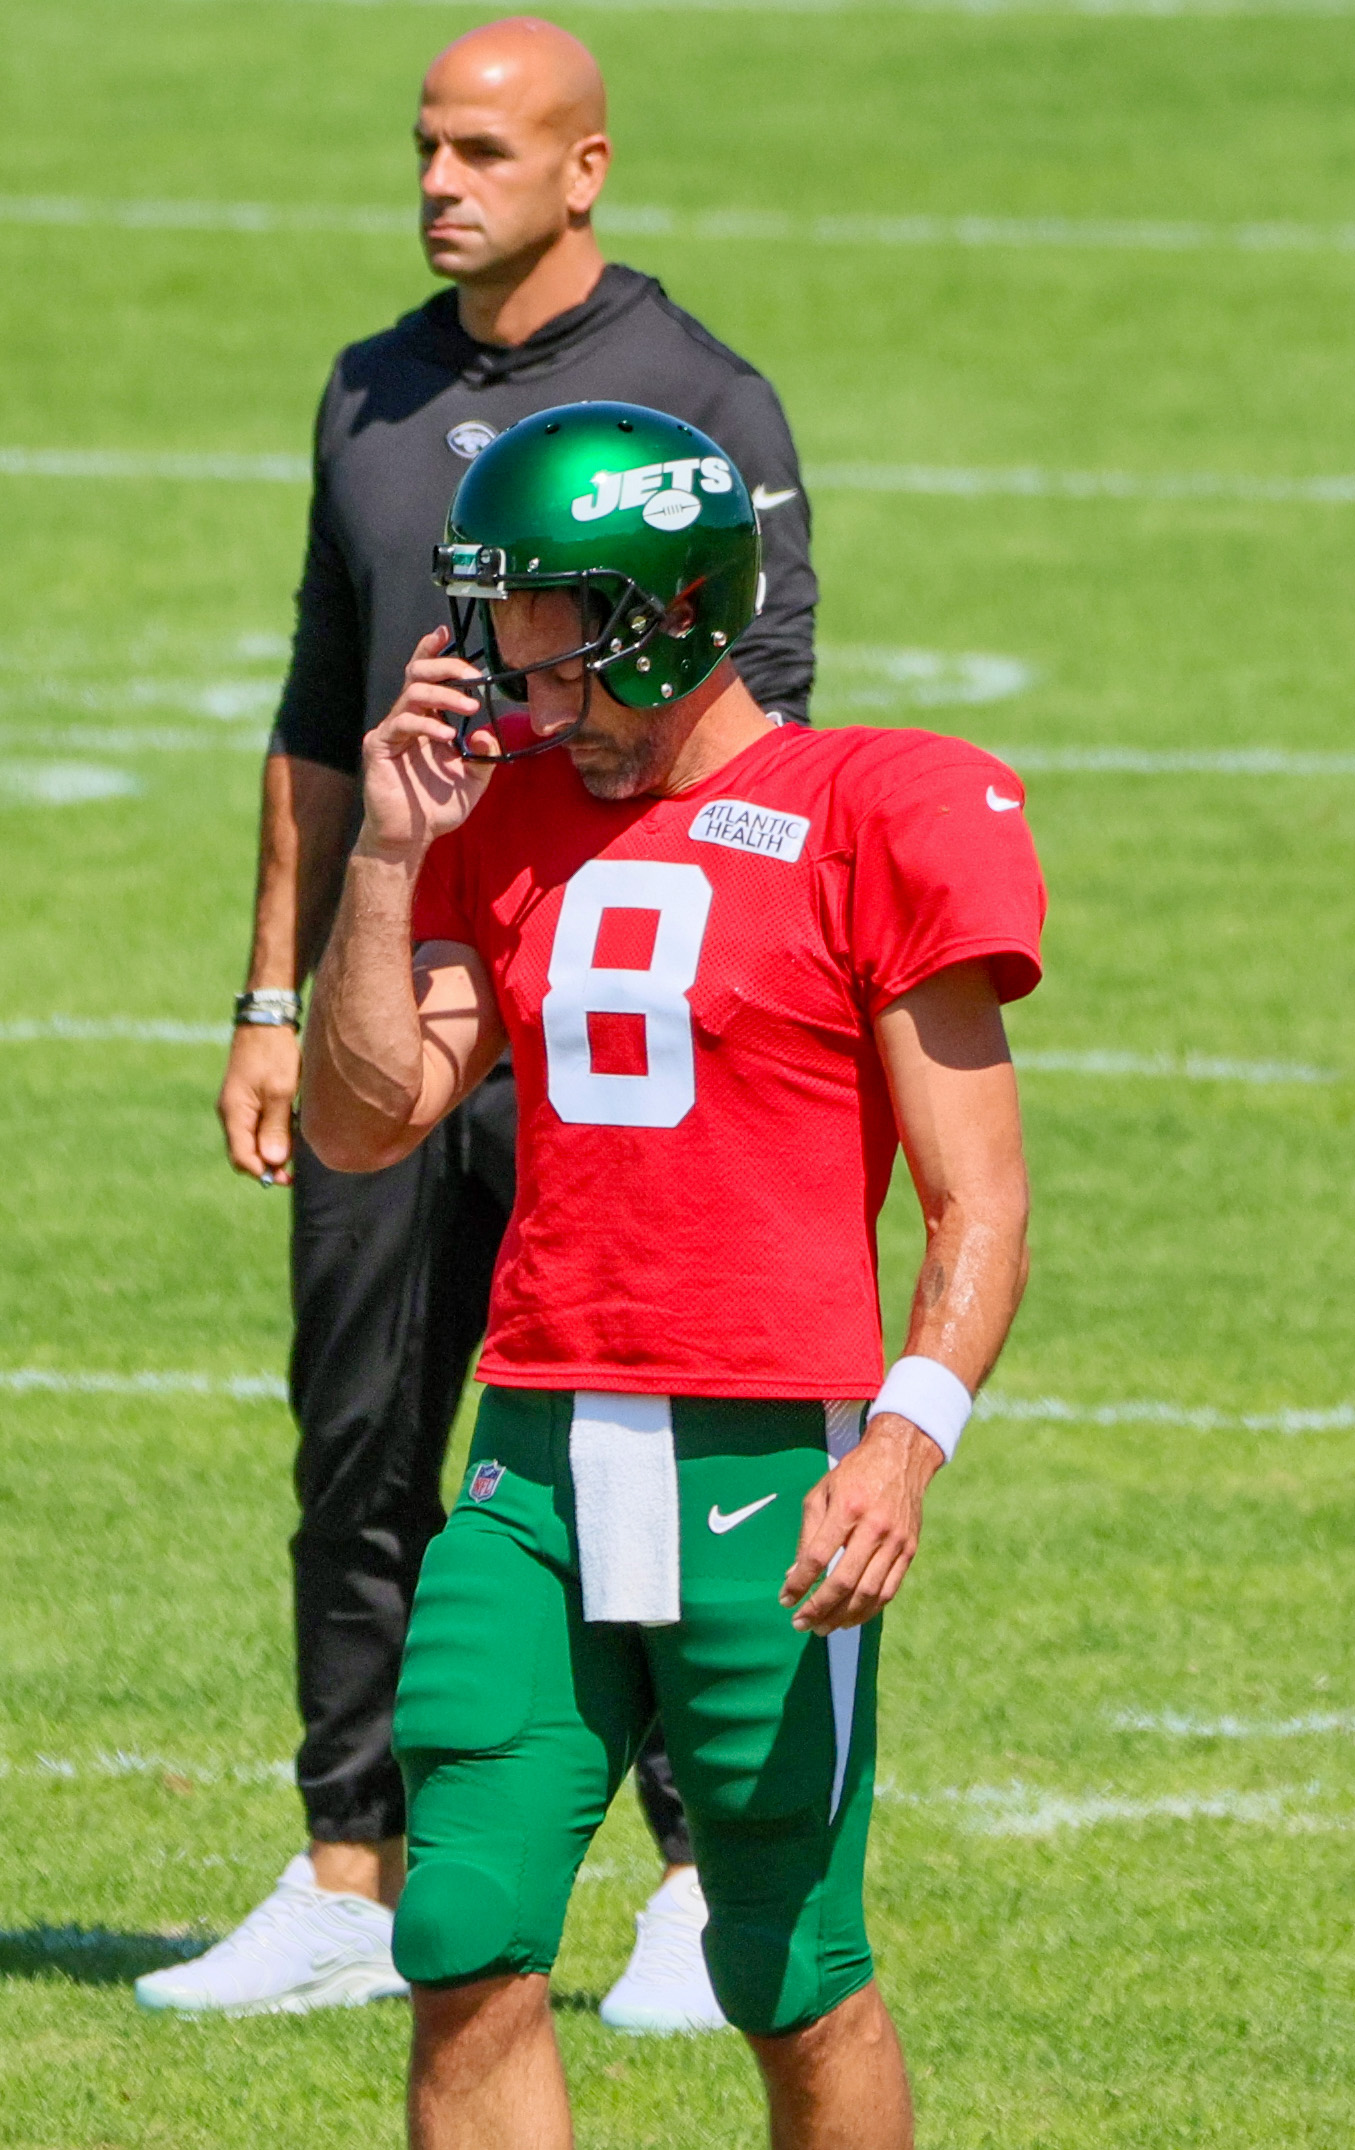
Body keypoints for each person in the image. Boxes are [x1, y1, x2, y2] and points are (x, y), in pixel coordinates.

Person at [134, 17, 817, 2026]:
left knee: (633, 1428)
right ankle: (351, 1864)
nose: (443, 182)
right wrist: (272, 996)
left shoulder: (699, 401)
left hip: (607, 1012)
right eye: (427, 147)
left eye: (486, 151)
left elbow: (746, 713)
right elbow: (314, 714)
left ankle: (700, 1881)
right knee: (354, 1430)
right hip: (383, 982)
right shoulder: (368, 388)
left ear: (585, 168)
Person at [301, 401, 1044, 2148]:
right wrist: (389, 850)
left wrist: (903, 1442)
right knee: (461, 1936)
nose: (527, 696)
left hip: (767, 1453)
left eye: (563, 653)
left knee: (788, 1962)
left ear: (680, 613)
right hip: (536, 1453)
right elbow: (362, 1120)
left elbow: (980, 1202)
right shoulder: (505, 821)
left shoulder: (880, 803)